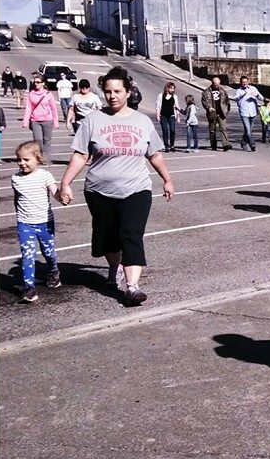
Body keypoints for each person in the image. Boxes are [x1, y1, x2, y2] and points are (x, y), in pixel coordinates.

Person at [56, 66, 174, 307]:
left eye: (118, 91)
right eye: (108, 91)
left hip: (136, 190)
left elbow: (155, 155)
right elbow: (80, 155)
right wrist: (65, 183)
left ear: (128, 92)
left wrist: (167, 179)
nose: (113, 96)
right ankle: (114, 267)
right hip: (99, 191)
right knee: (107, 238)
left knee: (131, 235)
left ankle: (132, 287)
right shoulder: (93, 120)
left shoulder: (142, 121)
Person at [11, 140, 61, 303]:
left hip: (44, 222)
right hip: (25, 224)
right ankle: (29, 289)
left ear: (38, 159)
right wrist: (19, 217)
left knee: (48, 253)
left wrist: (62, 196)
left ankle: (54, 272)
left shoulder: (45, 175)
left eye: (26, 160)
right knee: (28, 255)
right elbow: (17, 199)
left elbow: (55, 193)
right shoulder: (16, 179)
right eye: (19, 160)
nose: (22, 163)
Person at [22, 75, 60, 162]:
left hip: (47, 120)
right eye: (34, 82)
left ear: (43, 83)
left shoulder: (48, 94)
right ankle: (39, 158)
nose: (36, 84)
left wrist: (56, 122)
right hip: (35, 120)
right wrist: (25, 122)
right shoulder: (31, 94)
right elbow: (28, 108)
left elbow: (54, 109)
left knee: (47, 141)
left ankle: (45, 159)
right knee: (37, 141)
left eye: (38, 82)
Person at [200, 76, 232, 151]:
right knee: (212, 130)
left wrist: (226, 110)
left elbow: (227, 101)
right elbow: (204, 101)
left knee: (223, 129)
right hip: (212, 114)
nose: (217, 86)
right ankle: (213, 145)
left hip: (221, 113)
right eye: (215, 84)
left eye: (218, 84)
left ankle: (225, 145)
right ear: (212, 83)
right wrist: (208, 107)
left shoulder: (223, 91)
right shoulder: (206, 92)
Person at [234, 76, 263, 152]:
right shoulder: (239, 90)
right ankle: (252, 144)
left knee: (248, 130)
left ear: (248, 82)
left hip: (253, 112)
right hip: (244, 113)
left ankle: (243, 142)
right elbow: (236, 99)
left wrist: (256, 95)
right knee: (248, 130)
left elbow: (261, 98)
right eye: (243, 82)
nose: (244, 83)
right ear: (241, 83)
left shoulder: (253, 88)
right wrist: (243, 95)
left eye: (246, 82)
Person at [155, 81, 180, 152]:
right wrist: (157, 115)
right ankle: (166, 146)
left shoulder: (175, 97)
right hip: (163, 116)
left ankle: (172, 145)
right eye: (171, 88)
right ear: (167, 88)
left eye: (173, 88)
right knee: (165, 131)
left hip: (172, 115)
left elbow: (176, 106)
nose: (173, 90)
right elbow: (158, 106)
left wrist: (178, 116)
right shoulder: (161, 95)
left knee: (172, 130)